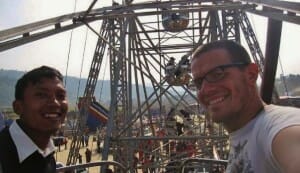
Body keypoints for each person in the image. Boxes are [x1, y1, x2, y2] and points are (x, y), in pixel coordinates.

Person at [190, 40, 300, 172]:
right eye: (198, 83)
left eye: (217, 74)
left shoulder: (276, 126)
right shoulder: (243, 133)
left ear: (251, 74)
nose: (205, 90)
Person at [0, 66, 68, 173]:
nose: (55, 102)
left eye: (60, 95)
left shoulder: (47, 154)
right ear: (18, 107)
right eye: (41, 94)